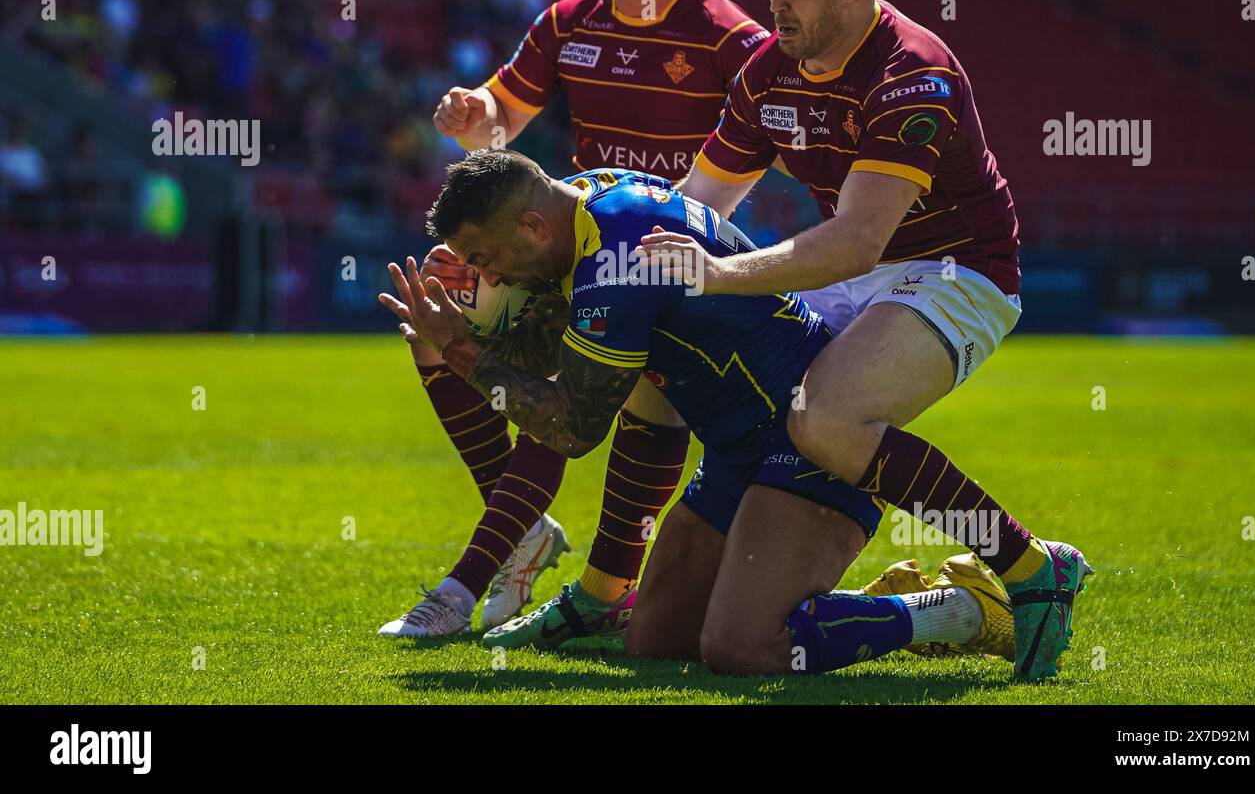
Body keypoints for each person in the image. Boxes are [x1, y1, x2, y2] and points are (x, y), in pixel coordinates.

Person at [637, 0, 1089, 679]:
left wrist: (719, 274)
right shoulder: (768, 71)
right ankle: (615, 584)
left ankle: (1025, 566)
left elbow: (856, 241)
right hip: (850, 272)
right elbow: (695, 207)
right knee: (660, 637)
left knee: (829, 416)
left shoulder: (913, 72)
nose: (774, 0)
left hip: (956, 271)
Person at [379, 150, 1022, 674]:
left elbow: (572, 429)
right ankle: (851, 604)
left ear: (531, 227)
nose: (490, 275)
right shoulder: (579, 202)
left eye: (486, 261)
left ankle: (965, 609)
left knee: (741, 648)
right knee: (655, 642)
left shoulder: (616, 261)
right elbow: (551, 336)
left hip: (806, 449)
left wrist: (463, 348)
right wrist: (473, 332)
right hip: (737, 450)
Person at [380, 0, 770, 638]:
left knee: (579, 392)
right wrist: (473, 111)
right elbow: (501, 119)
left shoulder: (733, 39)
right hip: (569, 246)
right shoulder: (569, 20)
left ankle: (493, 582)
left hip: (670, 261)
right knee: (436, 336)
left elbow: (770, 134)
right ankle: (524, 536)